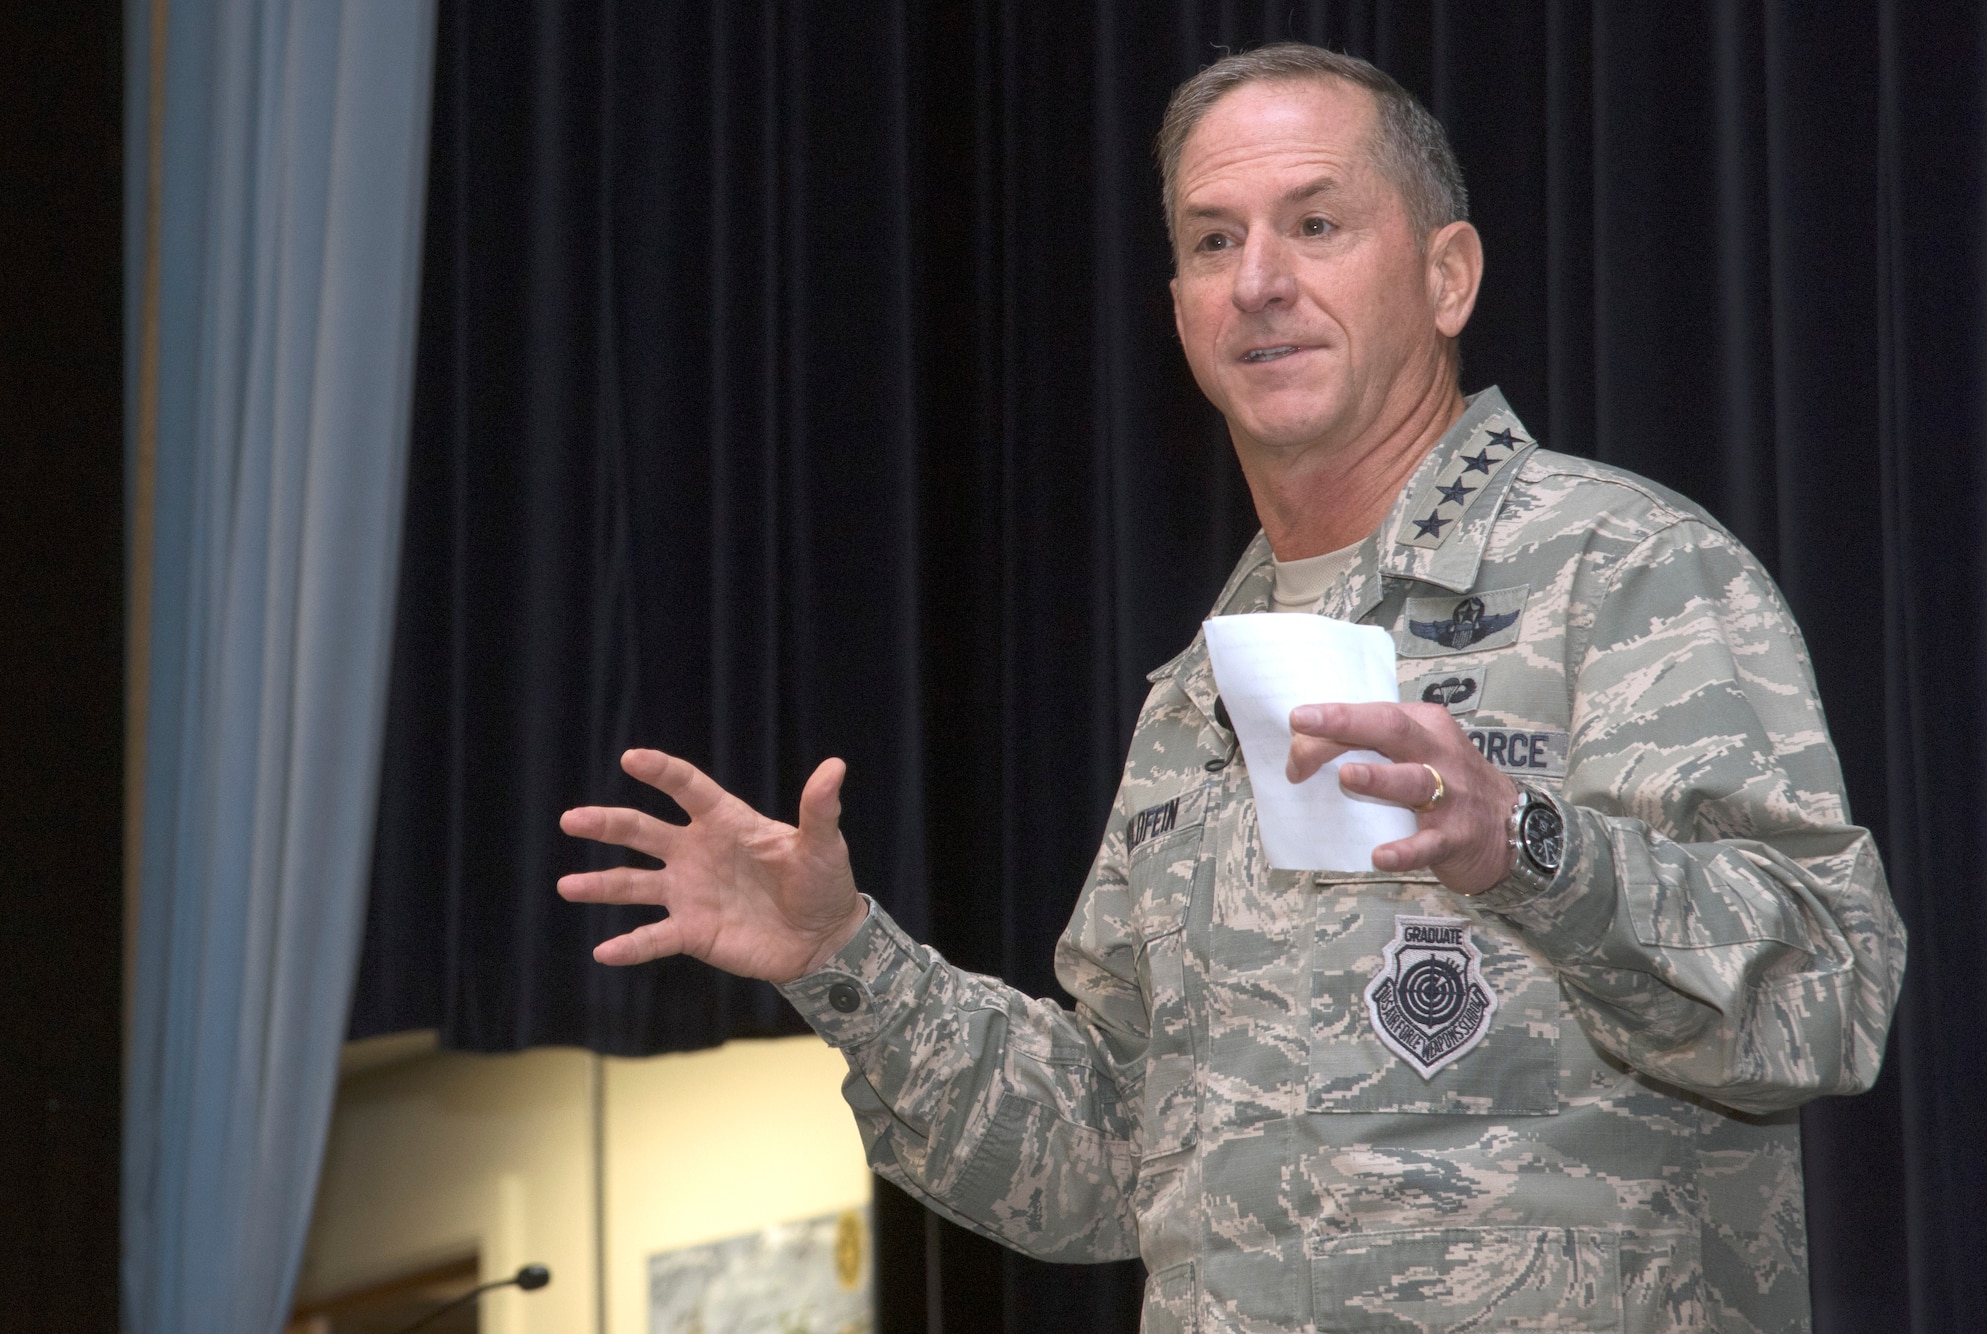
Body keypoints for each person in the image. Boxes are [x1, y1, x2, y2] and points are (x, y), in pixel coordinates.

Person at [557, 44, 1904, 1334]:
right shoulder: (1195, 700)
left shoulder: (1621, 570)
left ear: (1449, 276)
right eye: (1214, 240)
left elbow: (1829, 995)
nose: (1258, 278)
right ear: (1182, 311)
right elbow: (1104, 1156)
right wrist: (845, 960)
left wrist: (1534, 845)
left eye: (1316, 224)